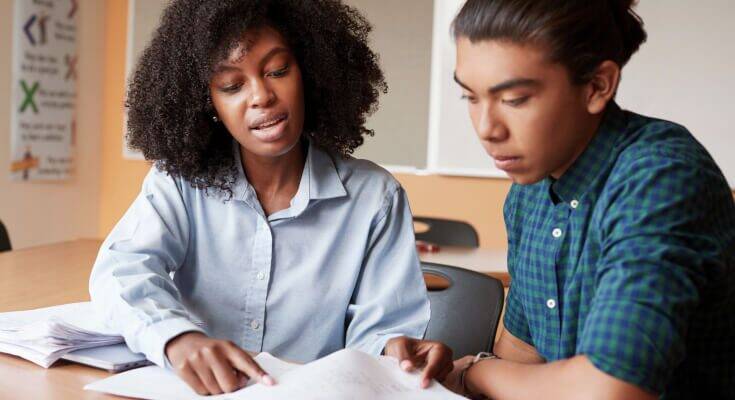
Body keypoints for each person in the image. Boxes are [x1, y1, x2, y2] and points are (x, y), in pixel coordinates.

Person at [89, 0, 451, 395]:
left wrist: (393, 350)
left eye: (278, 71)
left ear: (311, 73)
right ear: (207, 102)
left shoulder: (375, 199)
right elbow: (121, 270)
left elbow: (380, 336)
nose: (261, 96)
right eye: (231, 85)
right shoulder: (180, 183)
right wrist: (176, 338)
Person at [441, 1, 735, 399]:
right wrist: (438, 375)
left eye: (513, 99)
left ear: (598, 85)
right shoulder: (528, 193)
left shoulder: (661, 178)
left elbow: (610, 390)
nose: (486, 128)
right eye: (470, 98)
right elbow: (521, 356)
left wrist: (475, 373)